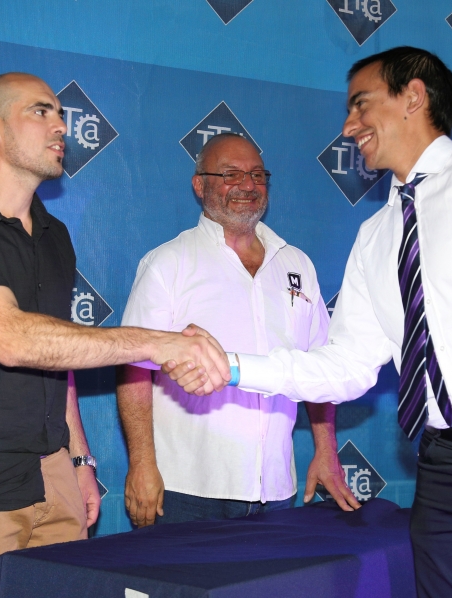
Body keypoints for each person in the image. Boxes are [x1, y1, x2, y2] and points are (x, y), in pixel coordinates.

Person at [166, 47, 452, 596]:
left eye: (361, 105)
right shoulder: (376, 236)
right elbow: (346, 366)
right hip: (443, 467)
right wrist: (231, 367)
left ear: (413, 97)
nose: (348, 126)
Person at [0, 72, 229, 598]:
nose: (61, 126)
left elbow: (55, 353)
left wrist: (79, 460)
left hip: (53, 478)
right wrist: (158, 343)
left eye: (61, 114)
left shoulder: (55, 236)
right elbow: (12, 339)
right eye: (41, 111)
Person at [116, 133, 360, 527]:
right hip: (187, 490)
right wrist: (142, 464)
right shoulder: (168, 264)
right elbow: (133, 369)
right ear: (200, 185)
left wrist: (326, 451)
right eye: (231, 174)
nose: (247, 185)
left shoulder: (297, 264)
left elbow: (319, 366)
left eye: (257, 175)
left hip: (277, 491)